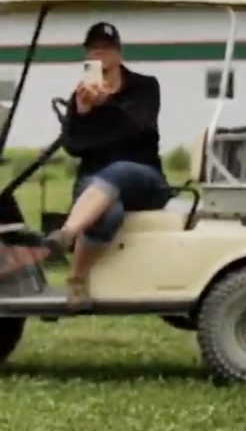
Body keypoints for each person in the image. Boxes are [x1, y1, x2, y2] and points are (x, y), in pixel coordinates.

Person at [40, 22, 169, 309]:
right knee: (108, 214)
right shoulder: (81, 96)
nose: (100, 55)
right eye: (94, 50)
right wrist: (84, 113)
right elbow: (73, 146)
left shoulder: (145, 87)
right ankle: (77, 280)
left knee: (120, 169)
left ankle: (67, 233)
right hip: (96, 182)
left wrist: (108, 104)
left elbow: (140, 127)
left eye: (106, 49)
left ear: (119, 54)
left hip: (145, 178)